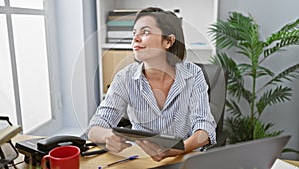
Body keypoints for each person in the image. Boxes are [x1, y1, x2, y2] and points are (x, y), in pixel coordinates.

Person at [87, 7, 216, 162]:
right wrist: (109, 136)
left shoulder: (193, 74)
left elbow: (205, 128)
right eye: (134, 33)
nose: (135, 38)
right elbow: (95, 127)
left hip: (183, 158)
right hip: (141, 159)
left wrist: (180, 148)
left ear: (168, 41)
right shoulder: (125, 78)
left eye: (145, 32)